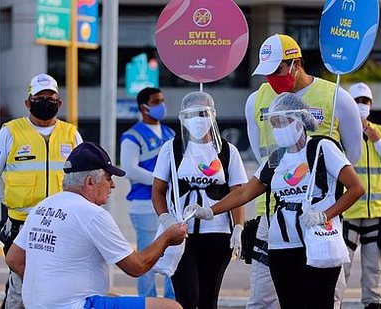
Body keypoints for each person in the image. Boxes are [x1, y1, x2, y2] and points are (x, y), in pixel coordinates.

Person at [186, 93, 364, 309]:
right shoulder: (275, 159)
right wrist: (210, 211)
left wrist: (325, 214)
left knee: (319, 303)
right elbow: (244, 193)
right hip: (281, 245)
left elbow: (356, 188)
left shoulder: (321, 148)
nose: (278, 129)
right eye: (274, 124)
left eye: (282, 122)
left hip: (317, 242)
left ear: (299, 120)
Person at [244, 33, 363, 309]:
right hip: (272, 216)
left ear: (295, 63)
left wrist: (323, 207)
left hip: (319, 218)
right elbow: (262, 157)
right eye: (267, 73)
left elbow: (352, 156)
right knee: (263, 300)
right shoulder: (255, 101)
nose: (271, 79)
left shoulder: (335, 97)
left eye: (277, 70)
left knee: (323, 299)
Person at [4, 142, 186, 309]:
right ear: (90, 182)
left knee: (112, 296)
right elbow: (136, 267)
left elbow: (13, 259)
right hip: (77, 305)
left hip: (38, 305)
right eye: (108, 178)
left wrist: (49, 292)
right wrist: (167, 238)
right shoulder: (92, 214)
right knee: (171, 307)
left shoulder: (43, 206)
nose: (113, 185)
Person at [0, 73, 83, 308]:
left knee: (55, 281)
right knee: (21, 281)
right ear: (28, 102)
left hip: (61, 224)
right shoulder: (10, 132)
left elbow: (81, 176)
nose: (46, 101)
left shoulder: (71, 134)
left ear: (58, 103)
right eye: (40, 97)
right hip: (21, 224)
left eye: (51, 97)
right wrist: (11, 201)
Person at [152, 92, 247, 309]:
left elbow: (238, 193)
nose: (198, 119)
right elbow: (158, 190)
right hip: (181, 231)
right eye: (192, 114)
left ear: (212, 116)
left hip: (217, 231)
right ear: (183, 118)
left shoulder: (227, 151)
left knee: (207, 297)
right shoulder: (172, 148)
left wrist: (239, 228)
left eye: (203, 114)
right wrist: (166, 218)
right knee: (187, 296)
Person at [335, 82, 381, 309]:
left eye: (365, 101)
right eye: (357, 101)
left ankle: (372, 305)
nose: (362, 105)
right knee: (341, 266)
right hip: (350, 212)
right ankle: (334, 304)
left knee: (373, 269)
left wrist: (377, 141)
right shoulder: (342, 132)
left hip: (376, 214)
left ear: (371, 105)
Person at [120, 87, 175, 299]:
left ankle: (171, 300)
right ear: (144, 107)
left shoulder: (170, 133)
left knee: (173, 254)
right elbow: (129, 169)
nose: (161, 105)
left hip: (170, 204)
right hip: (144, 204)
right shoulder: (132, 136)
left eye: (162, 100)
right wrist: (159, 181)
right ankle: (148, 300)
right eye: (156, 101)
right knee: (146, 258)